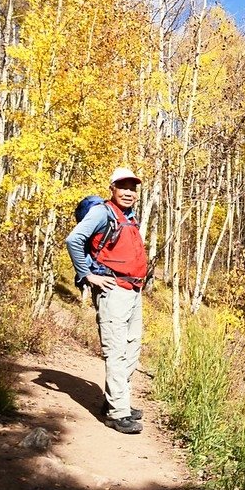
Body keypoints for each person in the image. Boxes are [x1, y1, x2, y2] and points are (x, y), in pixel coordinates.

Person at [66, 167, 148, 434]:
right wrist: (88, 275)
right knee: (116, 351)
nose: (128, 192)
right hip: (113, 292)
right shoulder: (103, 212)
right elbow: (74, 239)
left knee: (132, 348)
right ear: (112, 188)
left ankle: (116, 400)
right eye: (122, 186)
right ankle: (117, 413)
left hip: (132, 291)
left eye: (132, 187)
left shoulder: (128, 217)